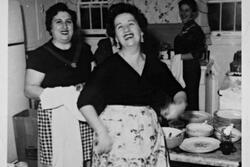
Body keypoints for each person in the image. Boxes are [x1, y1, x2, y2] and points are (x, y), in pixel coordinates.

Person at [77, 3, 187, 167]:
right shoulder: (108, 66)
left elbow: (177, 91)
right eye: (119, 27)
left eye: (131, 23)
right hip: (116, 141)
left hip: (149, 140)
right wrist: (101, 132)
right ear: (115, 38)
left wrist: (180, 104)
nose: (126, 29)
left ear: (141, 32)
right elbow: (83, 102)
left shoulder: (155, 65)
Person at [24, 3, 93, 167]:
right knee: (57, 160)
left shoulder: (84, 50)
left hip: (82, 112)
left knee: (85, 158)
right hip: (54, 115)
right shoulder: (40, 55)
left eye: (68, 21)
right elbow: (29, 89)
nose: (64, 26)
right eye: (58, 21)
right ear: (50, 26)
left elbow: (94, 78)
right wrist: (65, 94)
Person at [174, 0, 206, 110]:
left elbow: (198, 53)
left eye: (187, 10)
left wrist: (178, 58)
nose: (183, 13)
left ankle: (192, 126)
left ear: (193, 12)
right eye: (181, 10)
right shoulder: (186, 28)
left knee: (190, 101)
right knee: (184, 100)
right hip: (184, 67)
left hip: (191, 69)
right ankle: (185, 126)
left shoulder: (196, 30)